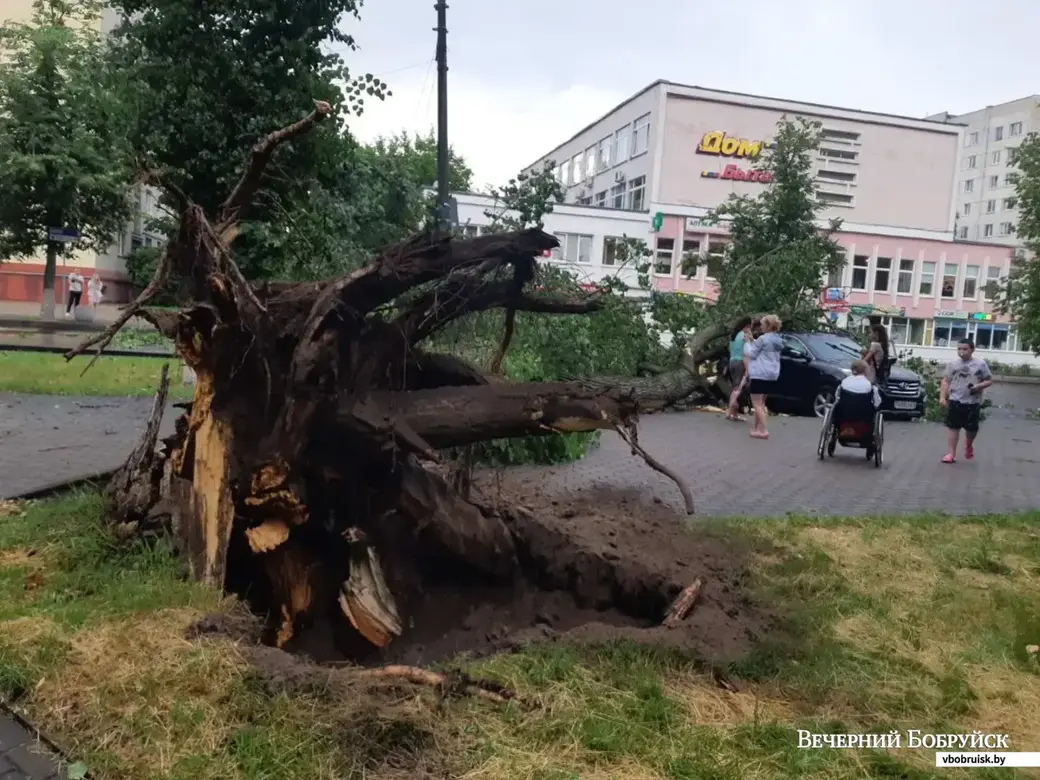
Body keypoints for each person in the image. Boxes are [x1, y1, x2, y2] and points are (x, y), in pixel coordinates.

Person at [939, 338, 993, 463]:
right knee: (953, 427)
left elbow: (989, 380)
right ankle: (951, 454)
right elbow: (946, 381)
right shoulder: (953, 364)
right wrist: (942, 397)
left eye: (965, 349)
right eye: (959, 349)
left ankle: (968, 445)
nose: (961, 352)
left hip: (972, 402)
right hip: (955, 400)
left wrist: (978, 386)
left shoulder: (980, 364)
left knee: (971, 430)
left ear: (972, 350)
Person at [743, 314, 783, 439]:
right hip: (772, 374)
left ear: (767, 325)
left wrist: (746, 343)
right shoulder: (778, 340)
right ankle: (756, 428)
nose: (760, 327)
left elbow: (752, 353)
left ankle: (764, 430)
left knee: (756, 403)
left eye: (762, 324)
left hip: (760, 373)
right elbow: (762, 349)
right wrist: (752, 341)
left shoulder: (762, 339)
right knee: (761, 403)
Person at [725, 316, 753, 421]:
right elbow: (749, 350)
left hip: (732, 361)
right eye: (750, 327)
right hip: (740, 362)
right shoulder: (744, 335)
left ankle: (733, 413)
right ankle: (730, 410)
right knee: (738, 388)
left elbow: (730, 349)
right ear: (747, 326)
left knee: (735, 386)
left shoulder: (734, 335)